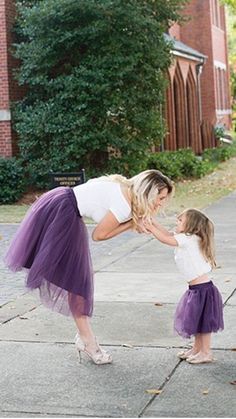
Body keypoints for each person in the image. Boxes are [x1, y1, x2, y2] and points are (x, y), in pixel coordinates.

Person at [5, 169, 173, 365]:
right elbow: (99, 236)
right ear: (148, 192)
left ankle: (85, 338)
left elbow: (149, 222)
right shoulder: (123, 204)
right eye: (160, 198)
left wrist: (172, 234)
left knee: (75, 281)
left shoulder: (123, 186)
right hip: (64, 213)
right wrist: (130, 224)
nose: (160, 203)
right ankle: (87, 341)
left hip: (60, 202)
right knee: (77, 282)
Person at [142, 208, 224, 364]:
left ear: (190, 225)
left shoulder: (188, 239)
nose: (176, 222)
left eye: (180, 221)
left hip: (203, 290)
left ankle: (206, 352)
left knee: (204, 324)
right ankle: (197, 349)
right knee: (198, 322)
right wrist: (152, 222)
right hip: (197, 290)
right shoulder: (188, 238)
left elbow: (165, 239)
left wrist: (151, 228)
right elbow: (167, 233)